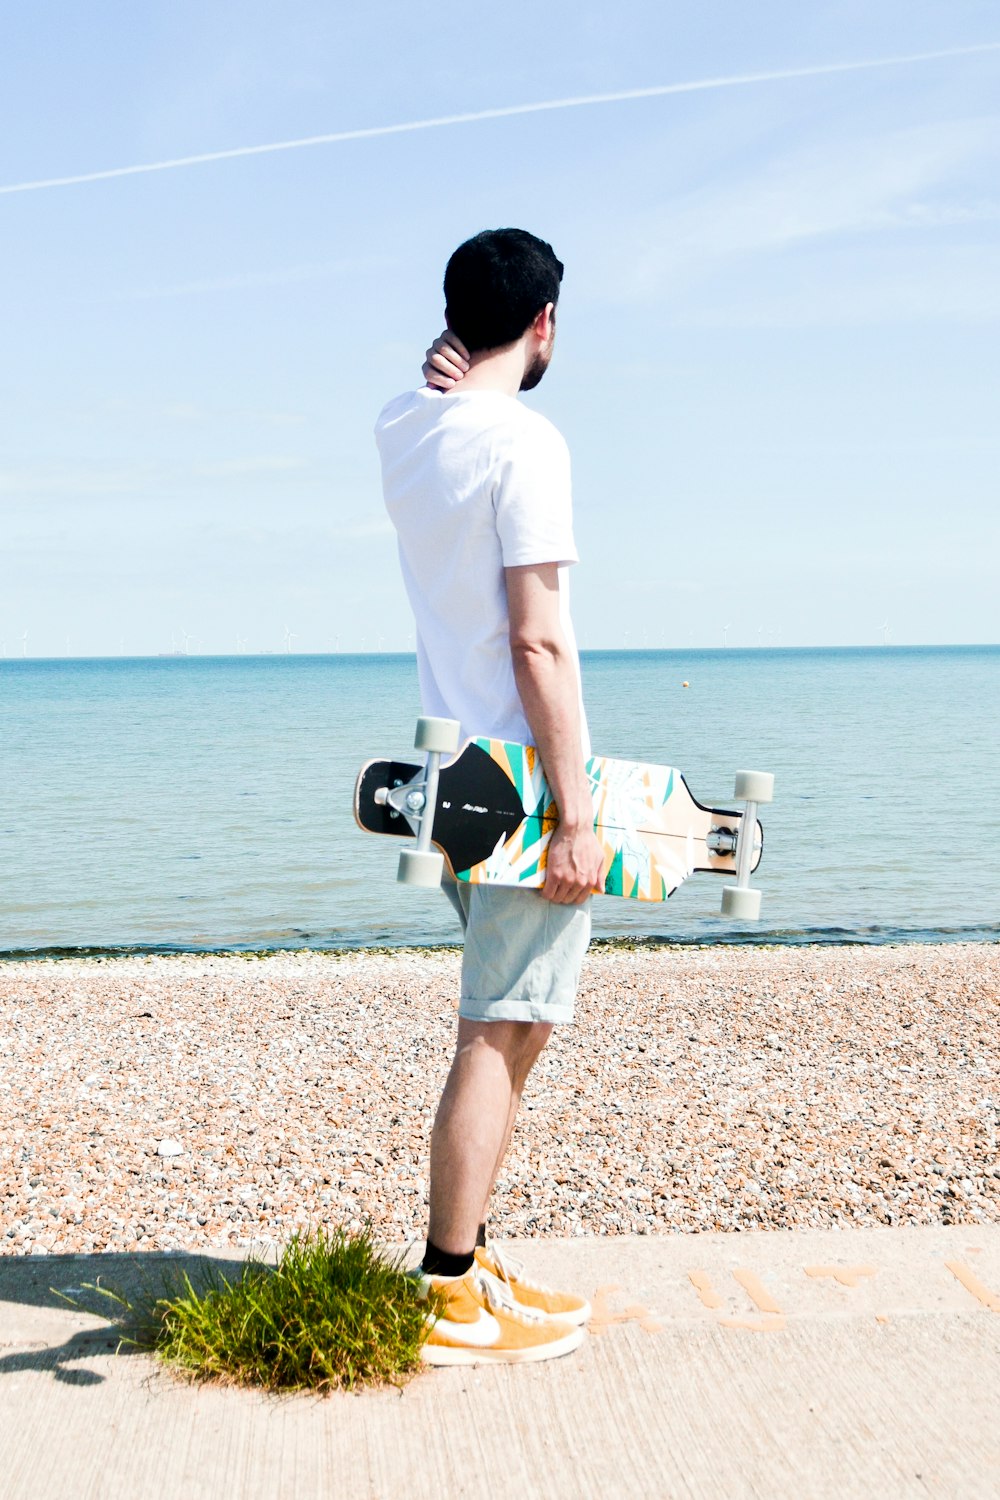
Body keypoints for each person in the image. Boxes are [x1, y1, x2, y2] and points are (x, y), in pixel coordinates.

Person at [375, 228, 604, 1364]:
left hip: (449, 778)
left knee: (510, 1024)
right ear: (546, 324)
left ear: (456, 324)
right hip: (519, 786)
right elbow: (539, 641)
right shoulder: (528, 444)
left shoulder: (403, 428)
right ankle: (446, 1289)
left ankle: (471, 1254)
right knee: (498, 1030)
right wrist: (578, 810)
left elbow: (438, 402)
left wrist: (453, 370)